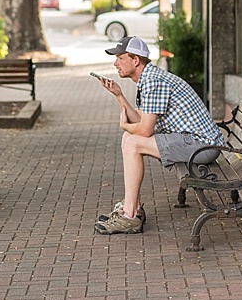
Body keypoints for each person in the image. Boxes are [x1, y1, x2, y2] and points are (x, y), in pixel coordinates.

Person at [92, 36, 224, 235]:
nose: (115, 63)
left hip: (202, 146)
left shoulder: (153, 81)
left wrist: (125, 126)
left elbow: (144, 129)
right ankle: (133, 208)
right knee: (129, 139)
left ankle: (129, 216)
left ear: (135, 60)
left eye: (120, 58)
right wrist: (119, 95)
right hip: (194, 141)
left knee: (133, 142)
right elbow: (139, 119)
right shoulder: (148, 78)